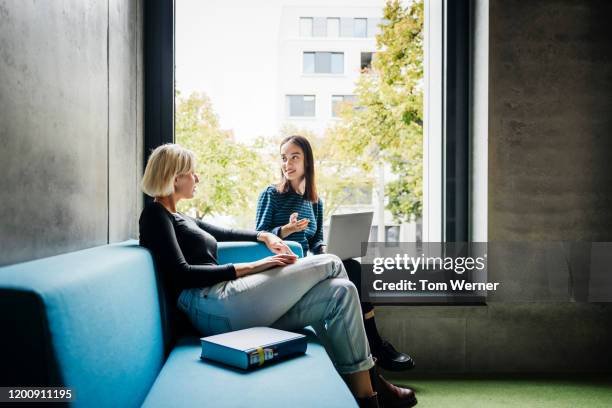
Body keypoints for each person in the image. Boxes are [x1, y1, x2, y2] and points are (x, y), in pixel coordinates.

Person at [138, 143, 417, 408]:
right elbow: (181, 274)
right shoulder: (154, 215)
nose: (197, 177)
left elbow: (226, 232)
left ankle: (368, 395)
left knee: (342, 293)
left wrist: (266, 236)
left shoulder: (180, 216)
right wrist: (259, 265)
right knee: (332, 262)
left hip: (227, 303)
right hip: (211, 305)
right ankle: (375, 376)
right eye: (191, 173)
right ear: (175, 178)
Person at [255, 135, 415, 372]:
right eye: (284, 158)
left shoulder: (314, 201)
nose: (287, 164)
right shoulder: (272, 194)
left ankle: (371, 348)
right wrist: (285, 230)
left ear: (307, 162)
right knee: (352, 270)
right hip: (282, 269)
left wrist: (325, 251)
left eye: (294, 157)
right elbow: (258, 234)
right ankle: (375, 346)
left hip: (306, 266)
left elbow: (316, 240)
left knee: (351, 266)